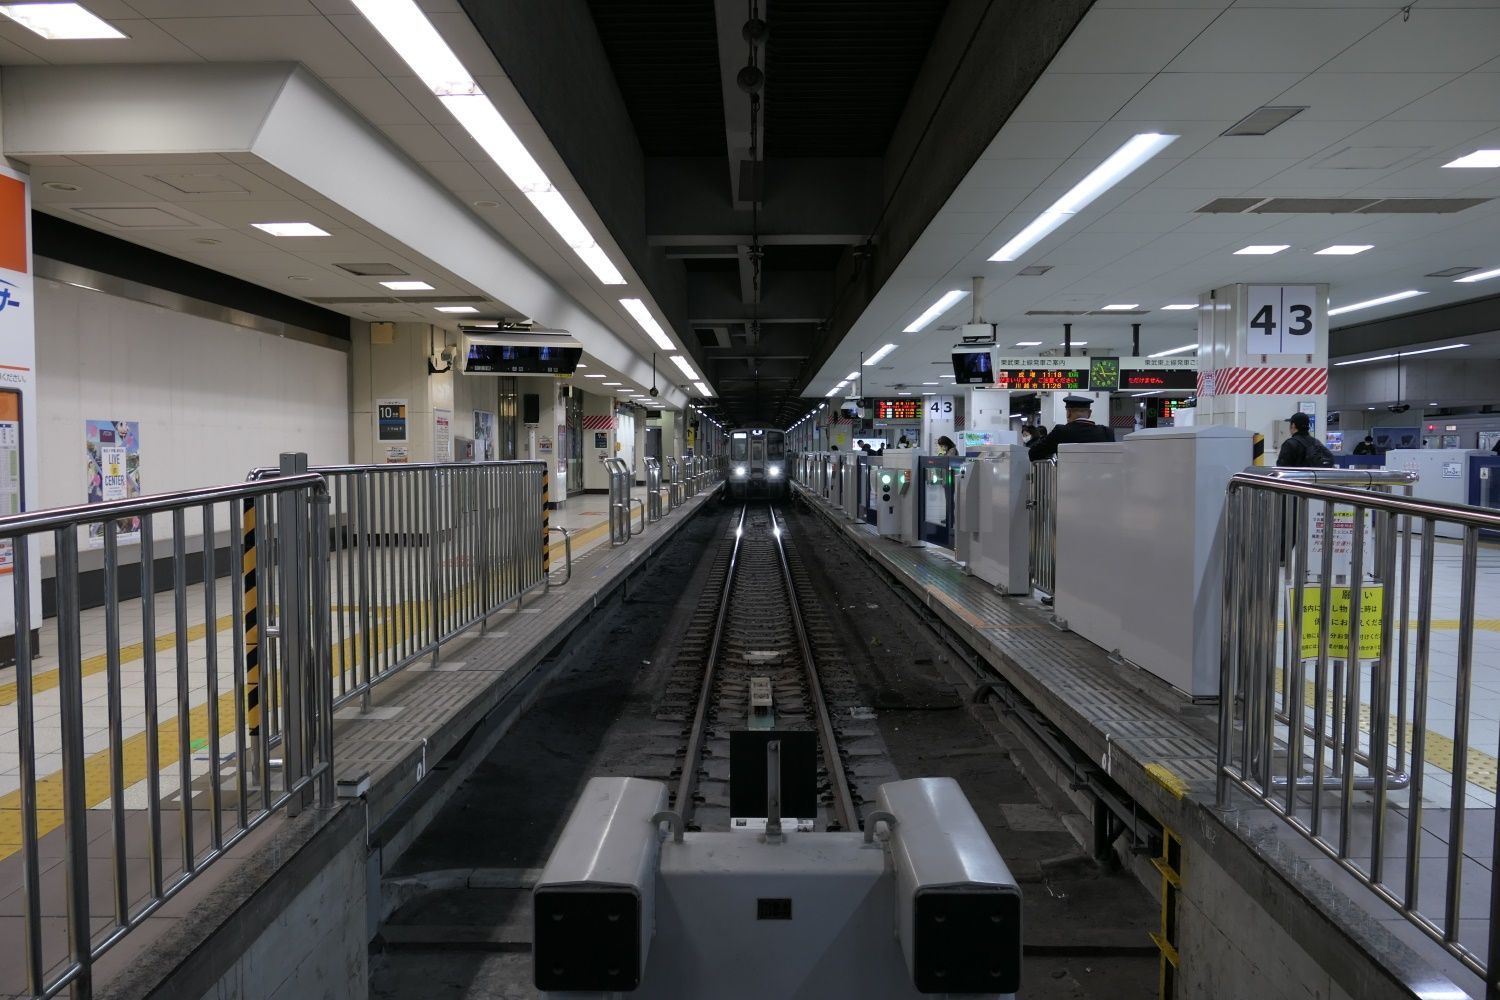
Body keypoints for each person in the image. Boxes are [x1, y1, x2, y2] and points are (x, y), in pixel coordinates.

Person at [1027, 396, 1113, 461]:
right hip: (1101, 482)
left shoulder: (1060, 431)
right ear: (1089, 413)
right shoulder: (1107, 432)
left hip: (1067, 481)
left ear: (1068, 413)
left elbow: (1033, 454)